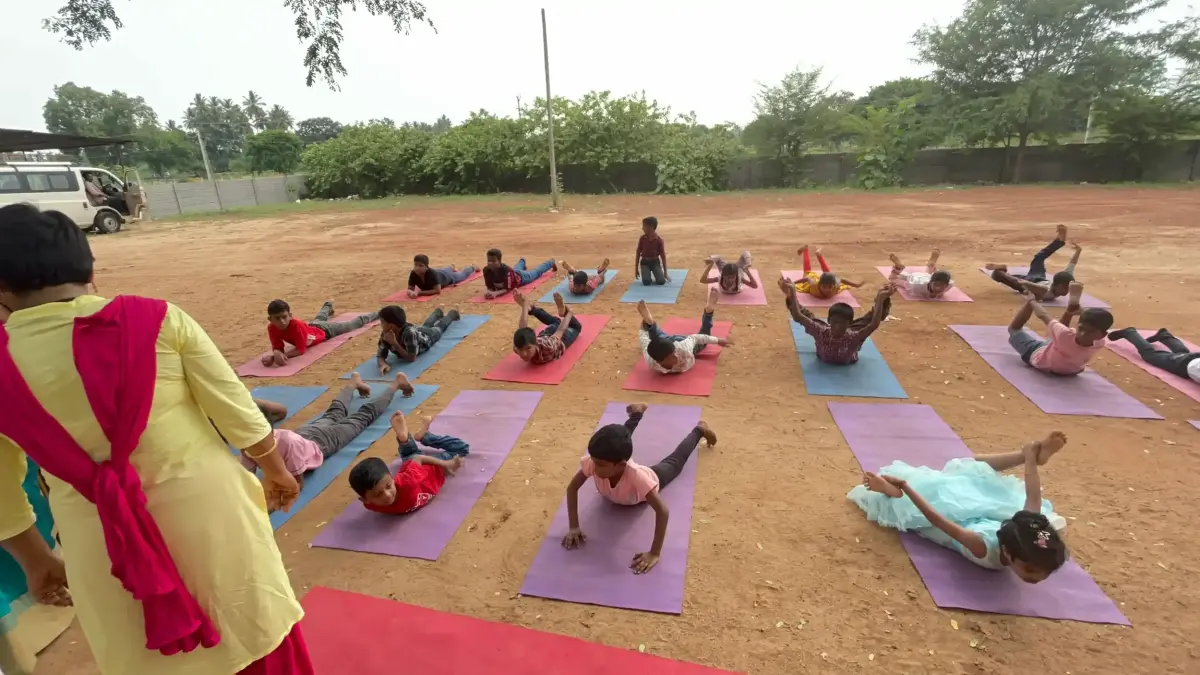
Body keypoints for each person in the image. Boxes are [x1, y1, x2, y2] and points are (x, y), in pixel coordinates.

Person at [0, 204, 312, 674]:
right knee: (252, 636)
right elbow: (240, 416)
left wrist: (36, 560)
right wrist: (276, 471)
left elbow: (2, 493)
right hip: (211, 521)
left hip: (100, 546)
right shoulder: (158, 320)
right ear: (89, 269)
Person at [849, 431, 1070, 583]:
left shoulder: (1027, 527)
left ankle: (1025, 454)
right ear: (1007, 552)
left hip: (975, 517)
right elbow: (936, 519)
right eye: (1031, 570)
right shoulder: (984, 546)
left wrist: (1031, 460)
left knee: (969, 470)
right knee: (913, 506)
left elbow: (1033, 493)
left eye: (1044, 573)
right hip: (955, 521)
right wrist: (905, 486)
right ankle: (891, 490)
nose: (1038, 578)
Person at [561, 403, 717, 574]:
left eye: (600, 465)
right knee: (618, 442)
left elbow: (662, 511)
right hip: (618, 465)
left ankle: (699, 430)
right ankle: (636, 413)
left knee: (675, 461)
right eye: (594, 460)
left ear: (621, 465)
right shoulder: (596, 462)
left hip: (653, 476)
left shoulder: (637, 477)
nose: (594, 467)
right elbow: (572, 488)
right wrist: (574, 526)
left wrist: (654, 553)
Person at [243, 373, 413, 492]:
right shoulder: (247, 445)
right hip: (304, 434)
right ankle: (353, 383)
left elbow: (297, 485)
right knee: (334, 412)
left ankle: (395, 384)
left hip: (323, 442)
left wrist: (268, 507)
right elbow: (247, 479)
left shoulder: (288, 444)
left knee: (362, 417)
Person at [347, 410, 468, 514]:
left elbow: (418, 459)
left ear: (392, 478)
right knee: (409, 455)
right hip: (412, 467)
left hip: (433, 467)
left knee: (462, 448)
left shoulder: (408, 482)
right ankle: (405, 440)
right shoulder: (370, 505)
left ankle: (426, 437)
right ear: (365, 500)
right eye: (377, 494)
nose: (387, 495)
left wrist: (446, 464)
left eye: (388, 486)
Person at [780, 276, 894, 365]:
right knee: (809, 317)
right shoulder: (821, 331)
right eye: (834, 323)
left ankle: (884, 301)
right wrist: (791, 294)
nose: (837, 327)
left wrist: (881, 299)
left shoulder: (853, 337)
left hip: (851, 335)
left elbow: (874, 324)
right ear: (829, 321)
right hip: (831, 330)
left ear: (849, 324)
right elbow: (798, 316)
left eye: (842, 324)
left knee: (867, 320)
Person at [1008, 284, 1112, 375]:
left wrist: (1031, 301)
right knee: (1060, 336)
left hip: (1042, 361)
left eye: (1089, 332)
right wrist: (1079, 312)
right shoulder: (1100, 342)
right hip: (1072, 369)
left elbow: (1043, 315)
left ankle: (1036, 299)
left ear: (1102, 335)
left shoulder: (1066, 335)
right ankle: (1069, 312)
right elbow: (1062, 330)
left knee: (1014, 329)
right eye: (1081, 328)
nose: (1082, 334)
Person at [637, 289, 733, 374]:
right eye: (671, 356)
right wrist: (645, 327)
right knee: (656, 338)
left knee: (702, 341)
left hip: (681, 341)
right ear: (659, 361)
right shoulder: (651, 362)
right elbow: (644, 342)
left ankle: (708, 313)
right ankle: (651, 324)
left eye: (673, 353)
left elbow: (696, 338)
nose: (675, 356)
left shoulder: (683, 349)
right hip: (665, 341)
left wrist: (718, 340)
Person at [262, 299, 378, 368]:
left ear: (290, 316)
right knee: (319, 318)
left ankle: (379, 313)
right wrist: (276, 353)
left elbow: (300, 350)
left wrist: (276, 357)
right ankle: (327, 306)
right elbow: (277, 346)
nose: (282, 321)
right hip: (312, 327)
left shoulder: (296, 325)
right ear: (270, 319)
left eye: (284, 317)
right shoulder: (272, 328)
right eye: (277, 318)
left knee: (352, 325)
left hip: (326, 331)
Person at [985, 224, 1082, 302]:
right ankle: (1002, 271)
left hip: (1038, 277)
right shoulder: (1047, 293)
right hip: (1030, 282)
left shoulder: (1064, 280)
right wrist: (1023, 284)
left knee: (1038, 259)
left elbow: (1072, 265)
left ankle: (1059, 241)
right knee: (997, 275)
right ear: (1058, 286)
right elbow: (1035, 287)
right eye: (1066, 288)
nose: (1068, 291)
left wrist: (1078, 251)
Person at [375, 304, 461, 374]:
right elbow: (381, 354)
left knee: (440, 327)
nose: (381, 325)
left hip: (428, 337)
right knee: (427, 324)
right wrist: (383, 364)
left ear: (391, 326)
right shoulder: (386, 333)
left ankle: (453, 313)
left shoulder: (409, 333)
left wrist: (394, 343)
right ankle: (439, 310)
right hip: (418, 332)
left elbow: (411, 358)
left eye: (382, 322)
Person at [512, 291, 581, 365]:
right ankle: (532, 310)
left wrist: (569, 313)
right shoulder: (517, 347)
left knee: (576, 327)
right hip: (546, 334)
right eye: (520, 349)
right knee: (557, 322)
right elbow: (522, 328)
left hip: (560, 340)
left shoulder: (548, 347)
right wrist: (525, 304)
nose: (524, 354)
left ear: (535, 344)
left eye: (528, 348)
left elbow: (560, 331)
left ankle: (564, 313)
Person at [1107, 328, 1200, 382]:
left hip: (1193, 360)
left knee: (1183, 354)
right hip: (1185, 364)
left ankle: (1165, 336)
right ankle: (1130, 333)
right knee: (1150, 355)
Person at [792, 245, 864, 299]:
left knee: (828, 274)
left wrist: (856, 285)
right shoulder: (814, 286)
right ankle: (806, 251)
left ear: (832, 285)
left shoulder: (834, 287)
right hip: (814, 280)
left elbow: (841, 280)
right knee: (807, 271)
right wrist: (793, 283)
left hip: (825, 280)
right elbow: (807, 279)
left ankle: (817, 255)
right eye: (825, 287)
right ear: (820, 285)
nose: (827, 290)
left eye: (829, 287)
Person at [482, 249, 556, 300]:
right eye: (489, 261)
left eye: (493, 261)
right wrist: (489, 292)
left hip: (522, 278)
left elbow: (507, 289)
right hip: (514, 273)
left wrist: (495, 293)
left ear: (500, 261)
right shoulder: (486, 270)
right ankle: (522, 261)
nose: (490, 263)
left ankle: (550, 262)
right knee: (516, 269)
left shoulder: (506, 271)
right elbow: (490, 286)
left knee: (536, 272)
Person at [887, 249, 953, 299]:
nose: (938, 288)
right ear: (930, 282)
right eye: (936, 285)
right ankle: (898, 268)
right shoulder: (916, 287)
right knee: (893, 279)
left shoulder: (949, 285)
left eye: (942, 286)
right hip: (914, 279)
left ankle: (931, 264)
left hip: (926, 277)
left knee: (928, 274)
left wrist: (938, 293)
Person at [406, 254, 477, 299]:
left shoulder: (432, 274)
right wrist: (411, 293)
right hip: (439, 272)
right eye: (415, 265)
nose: (417, 268)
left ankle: (473, 267)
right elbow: (410, 289)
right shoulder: (413, 273)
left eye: (421, 266)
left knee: (462, 275)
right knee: (443, 270)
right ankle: (451, 267)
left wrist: (419, 293)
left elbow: (437, 290)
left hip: (447, 277)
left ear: (426, 267)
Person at [634, 216, 671, 286]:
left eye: (644, 226)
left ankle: (656, 273)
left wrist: (665, 273)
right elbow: (638, 253)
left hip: (655, 262)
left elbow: (663, 257)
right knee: (646, 282)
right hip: (645, 263)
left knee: (661, 281)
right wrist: (636, 269)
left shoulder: (659, 240)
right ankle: (647, 275)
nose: (642, 228)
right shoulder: (642, 239)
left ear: (651, 227)